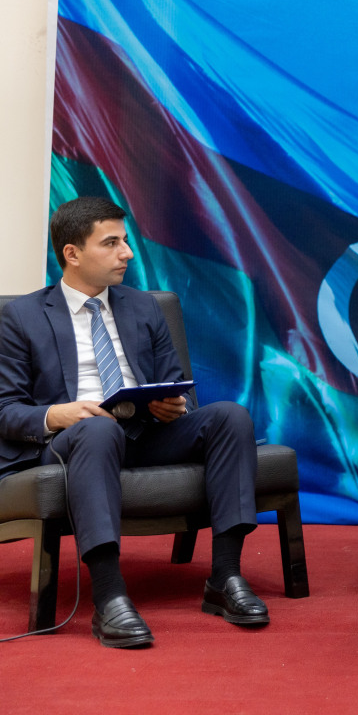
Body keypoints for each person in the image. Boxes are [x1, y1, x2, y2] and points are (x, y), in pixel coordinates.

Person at [0, 197, 266, 648]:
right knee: (97, 427)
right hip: (70, 442)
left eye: (125, 241)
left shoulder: (144, 307)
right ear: (72, 253)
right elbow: (5, 409)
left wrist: (172, 406)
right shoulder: (21, 316)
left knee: (229, 417)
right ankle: (109, 597)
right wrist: (57, 413)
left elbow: (176, 387)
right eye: (111, 243)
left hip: (143, 433)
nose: (127, 253)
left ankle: (225, 578)